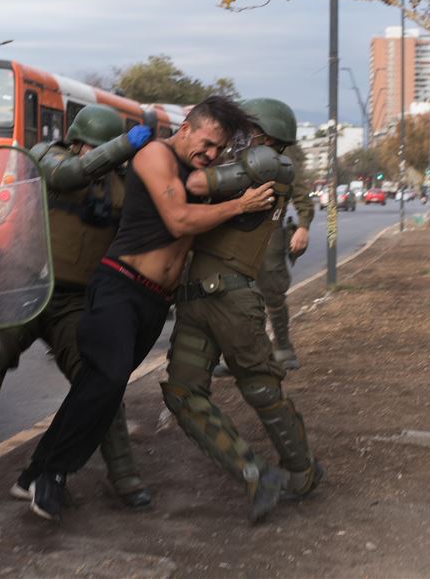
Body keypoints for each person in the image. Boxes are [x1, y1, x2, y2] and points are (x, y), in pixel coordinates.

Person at [20, 96, 282, 523]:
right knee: (104, 382)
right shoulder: (155, 154)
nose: (211, 154)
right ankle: (51, 474)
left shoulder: (199, 174)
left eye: (218, 149)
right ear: (187, 128)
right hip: (119, 287)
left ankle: (33, 471)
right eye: (207, 142)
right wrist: (240, 204)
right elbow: (178, 220)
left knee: (98, 387)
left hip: (154, 301)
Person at [0, 104, 155, 508]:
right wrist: (123, 145)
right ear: (76, 141)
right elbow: (67, 173)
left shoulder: (121, 184)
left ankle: (124, 474)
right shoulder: (48, 156)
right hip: (23, 285)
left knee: (99, 380)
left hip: (75, 300)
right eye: (94, 146)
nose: (97, 154)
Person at [162, 98, 324, 525]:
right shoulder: (251, 161)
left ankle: (302, 471)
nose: (231, 135)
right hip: (197, 296)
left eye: (240, 127)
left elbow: (196, 186)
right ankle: (256, 475)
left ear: (261, 132)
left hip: (232, 298)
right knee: (183, 393)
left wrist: (169, 157)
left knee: (261, 389)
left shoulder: (267, 161)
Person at [214, 104, 314, 374]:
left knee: (272, 295)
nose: (245, 135)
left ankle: (282, 347)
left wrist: (303, 228)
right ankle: (233, 356)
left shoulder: (284, 165)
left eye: (252, 130)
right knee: (232, 298)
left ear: (268, 135)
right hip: (232, 236)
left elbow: (304, 201)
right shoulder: (232, 160)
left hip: (270, 236)